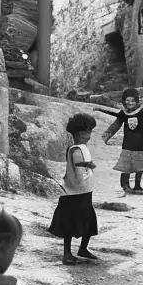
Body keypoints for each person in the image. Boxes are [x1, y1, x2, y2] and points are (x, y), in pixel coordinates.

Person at [50, 113, 100, 263]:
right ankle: (67, 254)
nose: (89, 135)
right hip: (75, 193)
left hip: (82, 191)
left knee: (88, 220)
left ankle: (82, 249)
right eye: (87, 132)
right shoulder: (77, 150)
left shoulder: (80, 148)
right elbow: (79, 173)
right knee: (70, 224)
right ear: (79, 133)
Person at [99, 89, 143, 195]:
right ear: (124, 101)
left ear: (136, 101)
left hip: (139, 143)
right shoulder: (123, 113)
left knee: (140, 165)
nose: (130, 103)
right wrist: (99, 109)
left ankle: (138, 186)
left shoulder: (142, 112)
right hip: (127, 144)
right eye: (127, 100)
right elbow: (114, 119)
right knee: (126, 165)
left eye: (132, 101)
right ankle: (125, 185)